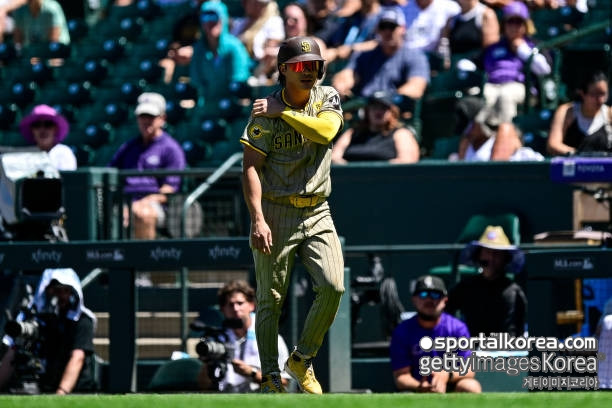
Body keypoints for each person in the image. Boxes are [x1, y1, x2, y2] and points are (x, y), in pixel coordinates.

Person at [240, 36, 345, 394]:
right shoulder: (261, 117)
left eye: (314, 65)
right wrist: (257, 218)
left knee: (334, 286)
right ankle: (270, 376)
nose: (309, 72)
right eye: (300, 66)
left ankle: (300, 360)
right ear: (283, 70)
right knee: (270, 299)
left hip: (318, 209)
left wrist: (282, 111)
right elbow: (250, 168)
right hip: (276, 211)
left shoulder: (326, 96)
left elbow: (328, 131)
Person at [0, 268, 97, 394]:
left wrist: (60, 394)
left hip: (77, 391)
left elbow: (77, 357)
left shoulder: (83, 320)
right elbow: (13, 352)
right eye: (57, 291)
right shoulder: (38, 319)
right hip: (45, 386)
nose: (61, 296)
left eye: (65, 291)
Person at [109, 92, 186, 240]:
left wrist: (138, 205)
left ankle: (144, 261)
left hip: (158, 207)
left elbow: (168, 191)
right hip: (124, 202)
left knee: (142, 213)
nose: (146, 121)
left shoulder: (171, 148)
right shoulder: (128, 147)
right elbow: (110, 173)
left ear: (162, 118)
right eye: (142, 116)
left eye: (151, 117)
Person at [389, 275, 482, 393]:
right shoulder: (402, 331)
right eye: (423, 295)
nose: (429, 300)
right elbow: (401, 376)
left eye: (435, 295)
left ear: (445, 300)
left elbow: (469, 369)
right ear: (414, 299)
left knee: (470, 386)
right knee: (404, 394)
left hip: (450, 384)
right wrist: (420, 386)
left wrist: (447, 375)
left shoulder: (457, 328)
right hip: (418, 387)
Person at [195, 280, 291, 392]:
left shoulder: (272, 338)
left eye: (240, 303)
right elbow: (203, 386)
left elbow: (284, 383)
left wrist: (252, 374)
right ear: (223, 309)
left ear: (251, 305)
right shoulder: (216, 340)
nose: (236, 309)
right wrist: (208, 364)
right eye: (230, 305)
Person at [445, 225, 527, 337]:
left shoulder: (515, 291)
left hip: (505, 351)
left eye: (497, 253)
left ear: (505, 258)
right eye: (487, 252)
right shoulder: (465, 287)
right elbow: (445, 315)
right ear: (479, 255)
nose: (491, 258)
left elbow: (519, 330)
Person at [332, 7, 430, 100]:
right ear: (377, 30)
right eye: (383, 27)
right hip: (365, 109)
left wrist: (385, 102)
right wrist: (341, 84)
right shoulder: (365, 55)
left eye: (392, 26)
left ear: (402, 28)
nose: (387, 31)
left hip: (393, 112)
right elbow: (348, 75)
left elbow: (416, 88)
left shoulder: (415, 56)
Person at [189, 1, 251, 112]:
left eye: (214, 17)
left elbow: (238, 82)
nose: (210, 23)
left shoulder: (234, 47)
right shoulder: (198, 50)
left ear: (224, 19)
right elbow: (196, 82)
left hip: (232, 106)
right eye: (205, 18)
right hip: (207, 105)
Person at [331, 91, 420, 163]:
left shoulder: (401, 134)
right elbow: (334, 158)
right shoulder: (352, 133)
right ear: (367, 111)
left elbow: (407, 161)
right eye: (374, 107)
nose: (378, 111)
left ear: (392, 112)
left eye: (383, 108)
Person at [547, 71, 612, 155]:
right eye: (594, 94)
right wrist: (580, 157)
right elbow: (553, 145)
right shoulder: (567, 112)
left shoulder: (609, 114)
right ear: (582, 93)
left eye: (603, 94)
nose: (600, 100)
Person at [437, 0, 500, 70]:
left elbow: (490, 49)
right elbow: (444, 45)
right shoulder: (452, 19)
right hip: (453, 67)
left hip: (475, 68)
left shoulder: (486, 15)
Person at [18, 104, 77, 171]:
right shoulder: (27, 157)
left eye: (48, 124)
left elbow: (67, 179)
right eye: (37, 125)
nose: (42, 130)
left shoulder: (64, 153)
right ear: (32, 130)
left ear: (55, 129)